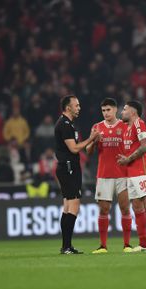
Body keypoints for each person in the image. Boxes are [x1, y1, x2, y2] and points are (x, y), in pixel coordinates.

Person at [86, 98, 133, 254]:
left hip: (123, 174)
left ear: (115, 110)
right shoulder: (96, 127)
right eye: (103, 110)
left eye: (108, 110)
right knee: (104, 210)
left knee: (125, 208)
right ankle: (103, 246)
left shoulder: (125, 126)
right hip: (104, 174)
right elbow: (88, 151)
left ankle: (127, 245)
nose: (106, 113)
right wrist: (93, 142)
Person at [54, 94, 99, 254]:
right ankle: (66, 246)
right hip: (68, 167)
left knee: (67, 206)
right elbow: (73, 148)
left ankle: (66, 246)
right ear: (68, 107)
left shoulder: (67, 124)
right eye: (77, 105)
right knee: (74, 205)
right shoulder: (65, 124)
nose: (79, 108)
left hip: (68, 166)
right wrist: (91, 138)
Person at [117, 100, 146, 252]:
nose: (122, 112)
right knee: (136, 206)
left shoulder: (138, 123)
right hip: (131, 171)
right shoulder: (127, 128)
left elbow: (145, 145)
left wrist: (128, 159)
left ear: (133, 112)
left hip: (143, 169)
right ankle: (142, 244)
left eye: (125, 109)